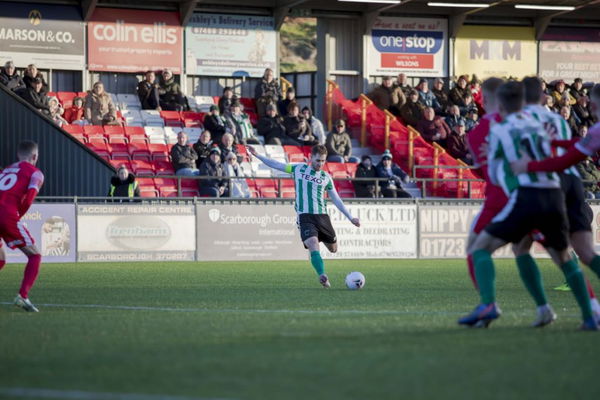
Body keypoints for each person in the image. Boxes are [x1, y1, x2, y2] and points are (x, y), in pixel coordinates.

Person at [460, 80, 596, 330]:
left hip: (523, 198)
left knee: (479, 248)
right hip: (555, 194)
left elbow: (498, 172)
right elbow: (560, 150)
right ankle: (588, 315)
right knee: (564, 256)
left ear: (497, 103)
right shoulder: (540, 124)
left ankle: (488, 303)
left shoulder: (496, 130)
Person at [248, 144, 360, 287]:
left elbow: (336, 199)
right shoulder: (299, 169)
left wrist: (350, 218)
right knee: (313, 244)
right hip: (305, 216)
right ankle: (322, 275)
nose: (320, 164)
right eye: (317, 160)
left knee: (333, 249)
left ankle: (319, 243)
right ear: (311, 158)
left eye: (323, 161)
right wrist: (257, 154)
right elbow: (276, 165)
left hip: (322, 217)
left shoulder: (326, 177)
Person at [0, 141, 45, 312]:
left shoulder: (6, 170)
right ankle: (23, 296)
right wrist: (17, 217)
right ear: (34, 157)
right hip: (7, 215)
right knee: (35, 255)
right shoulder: (36, 173)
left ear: (18, 155)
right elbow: (29, 199)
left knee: (1, 259)